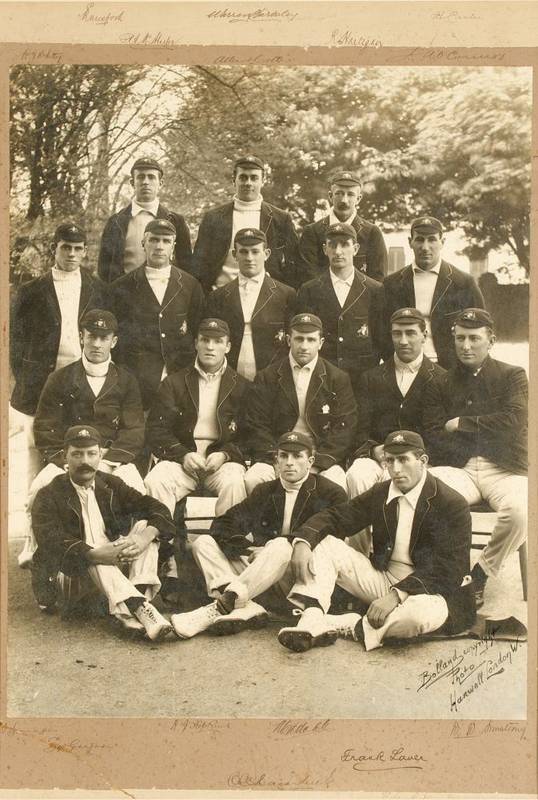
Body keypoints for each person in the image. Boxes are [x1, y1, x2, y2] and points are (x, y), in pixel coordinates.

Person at [277, 430, 475, 653]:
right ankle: (312, 618)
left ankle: (347, 625)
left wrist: (397, 595)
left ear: (423, 461)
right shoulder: (381, 492)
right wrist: (304, 541)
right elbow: (337, 517)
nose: (396, 469)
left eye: (403, 460)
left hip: (431, 593)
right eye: (390, 461)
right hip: (383, 578)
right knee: (325, 544)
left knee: (417, 617)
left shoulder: (451, 503)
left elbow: (451, 569)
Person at [169, 431, 347, 639]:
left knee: (280, 545)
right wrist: (248, 549)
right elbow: (223, 525)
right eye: (284, 456)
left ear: (310, 461)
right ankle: (244, 606)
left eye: (297, 456)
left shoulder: (330, 493)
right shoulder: (266, 491)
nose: (289, 463)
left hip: (301, 577)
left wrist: (274, 547)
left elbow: (331, 540)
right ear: (276, 461)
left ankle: (222, 606)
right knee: (204, 543)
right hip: (261, 574)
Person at [423, 308, 528, 608]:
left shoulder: (513, 376)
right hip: (461, 467)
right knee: (424, 492)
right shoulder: (441, 381)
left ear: (491, 340)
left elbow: (515, 420)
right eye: (460, 339)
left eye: (473, 338)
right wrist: (476, 435)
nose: (466, 346)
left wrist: (462, 424)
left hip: (505, 470)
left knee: (522, 510)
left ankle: (479, 575)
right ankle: (440, 573)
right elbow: (432, 433)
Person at [31, 426, 176, 641]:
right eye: (77, 454)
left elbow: (158, 509)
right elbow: (51, 542)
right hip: (73, 576)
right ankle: (139, 606)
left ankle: (132, 612)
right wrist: (97, 554)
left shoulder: (110, 484)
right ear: (65, 457)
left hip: (114, 575)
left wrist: (143, 538)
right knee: (92, 555)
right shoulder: (49, 494)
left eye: (91, 453)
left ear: (101, 455)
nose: (85, 461)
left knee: (146, 527)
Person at [10, 223, 107, 494]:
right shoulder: (32, 290)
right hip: (39, 384)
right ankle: (36, 519)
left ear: (85, 252)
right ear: (55, 248)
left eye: (78, 249)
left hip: (80, 382)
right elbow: (16, 342)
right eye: (66, 248)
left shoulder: (97, 288)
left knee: (75, 453)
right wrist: (30, 375)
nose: (72, 254)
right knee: (37, 456)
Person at [30, 309, 146, 501]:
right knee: (37, 491)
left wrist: (108, 462)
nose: (97, 344)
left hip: (111, 461)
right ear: (81, 337)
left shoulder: (127, 381)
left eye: (104, 338)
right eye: (92, 336)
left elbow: (134, 430)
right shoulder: (59, 379)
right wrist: (67, 460)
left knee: (138, 494)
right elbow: (45, 427)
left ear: (114, 341)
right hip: (69, 459)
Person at [145, 318, 249, 520]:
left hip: (221, 462)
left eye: (218, 341)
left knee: (235, 483)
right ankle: (162, 544)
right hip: (181, 460)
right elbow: (157, 430)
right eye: (205, 340)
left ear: (227, 347)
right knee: (156, 480)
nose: (210, 347)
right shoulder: (174, 383)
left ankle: (225, 544)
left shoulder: (242, 386)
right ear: (195, 344)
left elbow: (250, 434)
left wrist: (225, 455)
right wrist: (183, 455)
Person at [243, 313, 356, 494]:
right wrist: (278, 460)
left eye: (311, 340)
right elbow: (256, 425)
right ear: (289, 340)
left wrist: (317, 463)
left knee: (337, 482)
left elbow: (344, 428)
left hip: (318, 457)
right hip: (277, 457)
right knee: (254, 479)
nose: (304, 346)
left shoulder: (337, 378)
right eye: (299, 339)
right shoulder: (268, 377)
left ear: (320, 342)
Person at [346, 308, 446, 497]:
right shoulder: (371, 377)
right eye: (397, 334)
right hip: (378, 458)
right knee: (357, 475)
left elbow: (438, 434)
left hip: (419, 460)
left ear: (424, 336)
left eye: (410, 333)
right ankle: (361, 527)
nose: (403, 341)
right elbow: (360, 429)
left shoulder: (441, 379)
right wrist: (374, 450)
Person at [111, 218, 205, 408]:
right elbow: (117, 339)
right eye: (154, 240)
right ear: (143, 244)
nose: (159, 246)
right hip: (138, 381)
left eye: (166, 241)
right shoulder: (122, 287)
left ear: (173, 246)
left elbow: (199, 331)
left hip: (180, 378)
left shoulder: (190, 285)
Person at [382, 216, 485, 369]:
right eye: (419, 240)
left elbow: (481, 329)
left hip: (451, 371)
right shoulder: (392, 284)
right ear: (410, 242)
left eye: (432, 240)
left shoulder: (463, 283)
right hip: (406, 368)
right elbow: (381, 332)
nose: (425, 247)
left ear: (442, 242)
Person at [295, 222, 384, 398]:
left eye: (345, 244)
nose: (338, 251)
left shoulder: (375, 290)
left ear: (356, 248)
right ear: (324, 249)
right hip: (323, 378)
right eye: (332, 245)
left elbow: (381, 339)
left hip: (363, 380)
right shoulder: (310, 290)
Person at [192, 154, 299, 292]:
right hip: (220, 294)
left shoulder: (281, 219)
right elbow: (199, 262)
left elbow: (294, 263)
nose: (248, 183)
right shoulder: (213, 218)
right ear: (234, 180)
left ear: (263, 181)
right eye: (243, 177)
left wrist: (281, 292)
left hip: (267, 296)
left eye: (254, 178)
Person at [204, 228, 296, 382]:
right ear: (235, 255)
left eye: (255, 251)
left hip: (273, 379)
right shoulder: (218, 296)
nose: (249, 258)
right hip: (229, 378)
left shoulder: (286, 294)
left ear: (266, 254)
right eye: (243, 252)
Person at [97, 156, 192, 283]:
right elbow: (104, 268)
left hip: (164, 295)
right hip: (125, 294)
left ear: (161, 183)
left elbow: (186, 266)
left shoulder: (175, 221)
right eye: (141, 177)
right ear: (132, 183)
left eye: (151, 177)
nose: (145, 182)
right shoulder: (116, 222)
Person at [297, 169, 387, 284]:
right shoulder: (313, 231)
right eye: (339, 193)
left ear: (358, 198)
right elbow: (307, 277)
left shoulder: (371, 232)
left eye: (350, 194)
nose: (344, 200)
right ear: (330, 196)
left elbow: (378, 279)